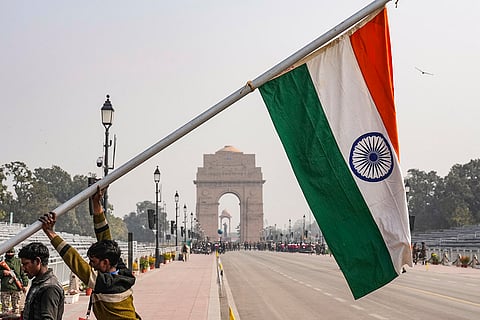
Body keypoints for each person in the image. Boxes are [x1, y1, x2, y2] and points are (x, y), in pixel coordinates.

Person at [39, 187, 141, 319]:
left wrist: (50, 233)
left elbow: (75, 261)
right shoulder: (121, 271)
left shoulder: (104, 283)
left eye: (93, 261)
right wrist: (96, 204)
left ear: (105, 262)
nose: (90, 265)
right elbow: (106, 239)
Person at [18, 242, 64, 320]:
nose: (23, 268)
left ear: (37, 261)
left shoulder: (50, 288)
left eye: (26, 264)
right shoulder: (39, 283)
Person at [0, 248, 29, 315]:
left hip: (16, 288)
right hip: (5, 288)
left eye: (11, 252)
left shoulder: (18, 262)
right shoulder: (3, 262)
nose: (10, 254)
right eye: (8, 252)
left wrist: (25, 284)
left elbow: (23, 274)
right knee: (5, 310)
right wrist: (3, 272)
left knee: (16, 309)